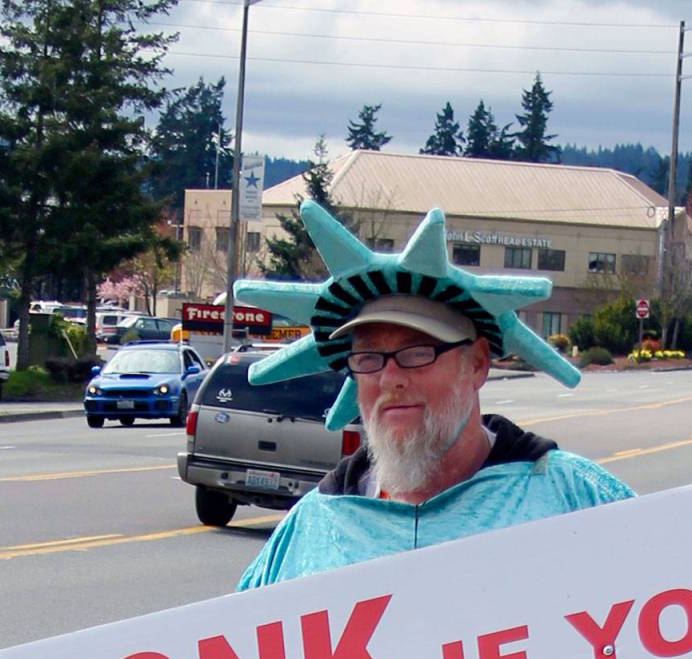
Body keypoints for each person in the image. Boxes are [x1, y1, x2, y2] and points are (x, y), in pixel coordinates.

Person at [233, 201, 634, 588]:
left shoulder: (573, 497)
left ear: (476, 364)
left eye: (417, 352)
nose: (390, 378)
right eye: (369, 357)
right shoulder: (313, 528)